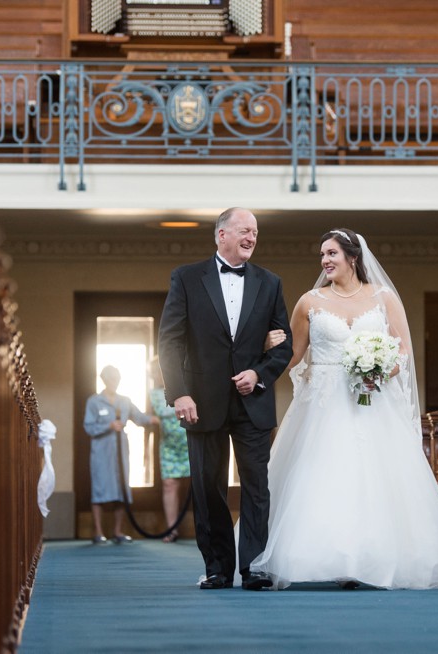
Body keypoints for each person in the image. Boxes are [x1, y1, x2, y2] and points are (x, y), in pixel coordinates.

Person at [249, 228, 438, 590]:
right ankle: (322, 558)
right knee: (321, 475)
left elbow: (403, 350)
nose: (325, 261)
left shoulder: (383, 298)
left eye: (332, 253)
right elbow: (291, 355)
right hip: (322, 404)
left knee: (373, 476)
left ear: (353, 257)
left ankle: (371, 558)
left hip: (371, 399)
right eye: (322, 255)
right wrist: (261, 356)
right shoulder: (310, 301)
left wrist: (380, 370)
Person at [158, 207, 293, 590]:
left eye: (255, 232)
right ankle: (218, 567)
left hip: (253, 403)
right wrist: (179, 392)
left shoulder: (271, 283)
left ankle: (255, 567)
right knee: (207, 486)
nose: (251, 237)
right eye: (244, 230)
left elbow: (284, 346)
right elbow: (169, 341)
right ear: (221, 235)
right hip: (200, 402)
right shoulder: (186, 278)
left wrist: (259, 373)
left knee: (256, 487)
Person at [83, 365, 160, 544]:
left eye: (116, 379)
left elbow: (139, 417)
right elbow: (88, 427)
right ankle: (98, 532)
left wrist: (156, 419)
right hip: (101, 452)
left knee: (122, 489)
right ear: (104, 380)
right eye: (110, 379)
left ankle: (118, 531)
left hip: (121, 452)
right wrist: (108, 426)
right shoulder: (94, 401)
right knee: (99, 488)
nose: (114, 382)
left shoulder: (125, 401)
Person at [148, 355, 190, 543]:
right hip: (168, 445)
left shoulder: (185, 386)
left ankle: (206, 527)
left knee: (198, 485)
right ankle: (172, 528)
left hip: (189, 440)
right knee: (170, 485)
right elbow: (150, 417)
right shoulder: (153, 393)